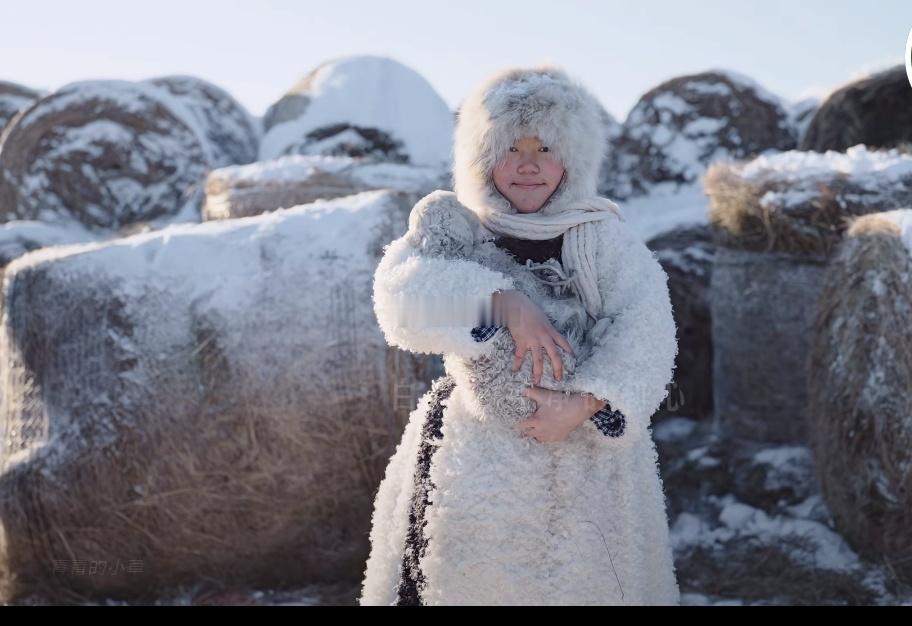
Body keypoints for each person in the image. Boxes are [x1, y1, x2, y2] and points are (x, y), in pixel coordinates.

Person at [360, 65, 680, 605]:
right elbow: (400, 297)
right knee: (475, 581)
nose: (528, 166)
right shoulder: (461, 230)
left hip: (588, 463)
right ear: (482, 158)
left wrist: (582, 405)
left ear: (572, 161)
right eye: (511, 149)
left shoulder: (601, 238)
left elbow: (647, 327)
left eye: (546, 150)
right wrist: (502, 304)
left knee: (586, 584)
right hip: (481, 456)